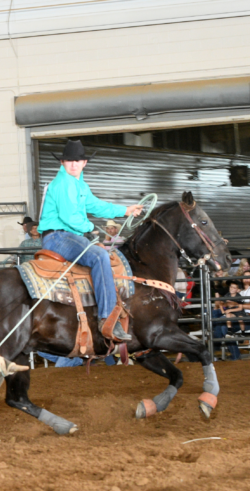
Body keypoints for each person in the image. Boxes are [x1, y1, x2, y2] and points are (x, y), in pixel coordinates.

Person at [37, 139, 145, 342]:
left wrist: (125, 210)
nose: (74, 164)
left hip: (67, 236)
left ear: (84, 163)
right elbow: (70, 218)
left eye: (77, 161)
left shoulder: (80, 185)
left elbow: (97, 206)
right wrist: (91, 229)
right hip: (58, 237)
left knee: (100, 254)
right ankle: (107, 319)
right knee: (99, 256)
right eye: (69, 161)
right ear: (62, 162)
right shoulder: (63, 184)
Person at [212, 282, 248, 361]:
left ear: (237, 290)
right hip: (230, 313)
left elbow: (240, 308)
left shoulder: (238, 296)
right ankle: (229, 331)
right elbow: (221, 303)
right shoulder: (227, 295)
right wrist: (223, 311)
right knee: (222, 321)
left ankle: (242, 333)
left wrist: (228, 310)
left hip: (238, 313)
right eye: (231, 287)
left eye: (234, 287)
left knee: (238, 319)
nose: (232, 288)